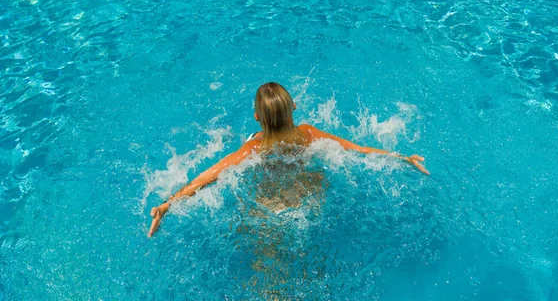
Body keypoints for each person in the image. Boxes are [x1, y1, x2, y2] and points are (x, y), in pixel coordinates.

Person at [148, 82, 427, 237]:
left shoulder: (253, 149)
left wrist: (168, 204)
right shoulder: (307, 134)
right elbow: (357, 149)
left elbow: (207, 178)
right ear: (294, 106)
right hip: (309, 199)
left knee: (270, 269)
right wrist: (403, 157)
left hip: (269, 207)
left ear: (257, 118)